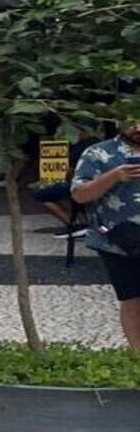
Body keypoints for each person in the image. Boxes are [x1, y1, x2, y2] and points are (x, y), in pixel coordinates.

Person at [71, 118, 140, 349]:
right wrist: (113, 176)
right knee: (132, 299)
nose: (138, 129)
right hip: (118, 240)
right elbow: (79, 194)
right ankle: (137, 358)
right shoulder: (98, 153)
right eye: (132, 123)